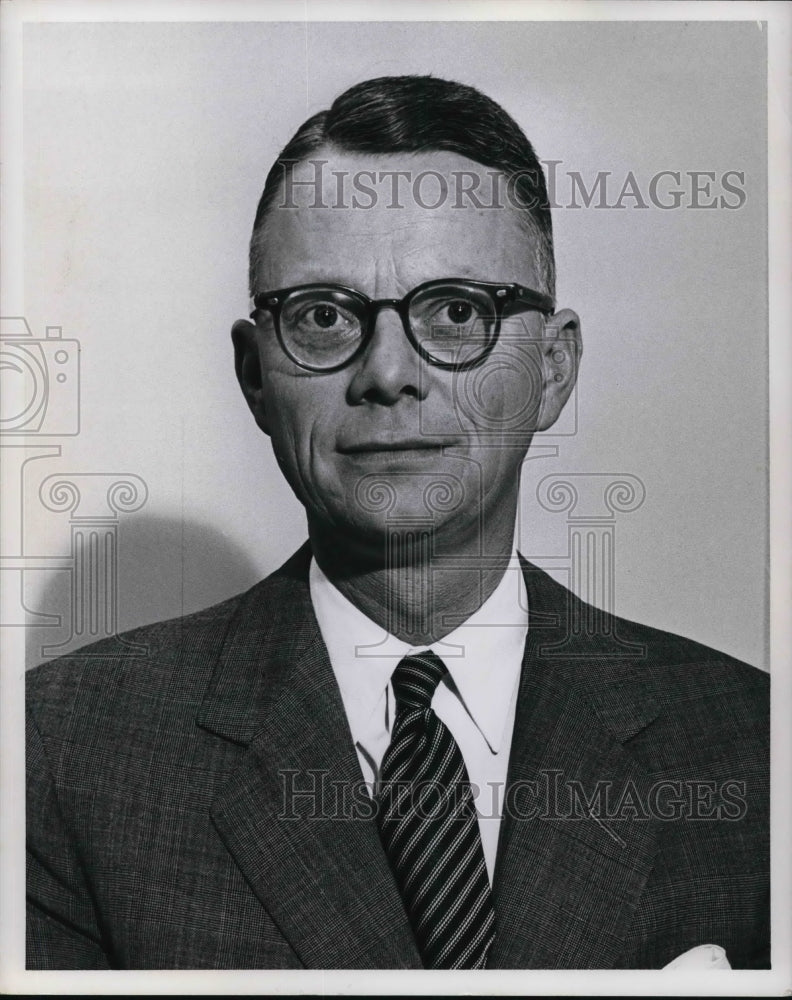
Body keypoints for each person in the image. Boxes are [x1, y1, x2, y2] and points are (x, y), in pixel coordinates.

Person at [26, 75, 769, 971]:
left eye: (458, 311)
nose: (387, 373)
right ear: (256, 375)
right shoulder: (59, 753)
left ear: (555, 369)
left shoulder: (755, 747)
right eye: (323, 316)